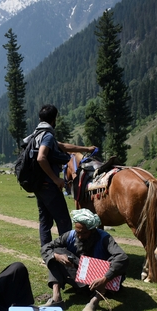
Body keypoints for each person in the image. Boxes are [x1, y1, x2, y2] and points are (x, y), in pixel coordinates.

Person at [41, 209, 128, 311]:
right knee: (55, 253)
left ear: (92, 231)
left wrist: (105, 278)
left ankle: (94, 302)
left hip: (101, 281)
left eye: (84, 233)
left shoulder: (104, 238)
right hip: (80, 276)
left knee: (114, 262)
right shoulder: (70, 235)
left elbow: (122, 257)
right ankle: (56, 298)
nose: (80, 236)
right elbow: (46, 248)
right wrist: (57, 256)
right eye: (78, 232)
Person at [32, 104, 96, 246]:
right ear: (54, 119)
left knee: (45, 221)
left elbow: (64, 146)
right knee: (64, 221)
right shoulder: (47, 136)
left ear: (40, 118)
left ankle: (47, 253)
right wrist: (56, 179)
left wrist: (86, 149)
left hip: (39, 185)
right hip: (49, 185)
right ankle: (67, 251)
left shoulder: (38, 134)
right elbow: (41, 158)